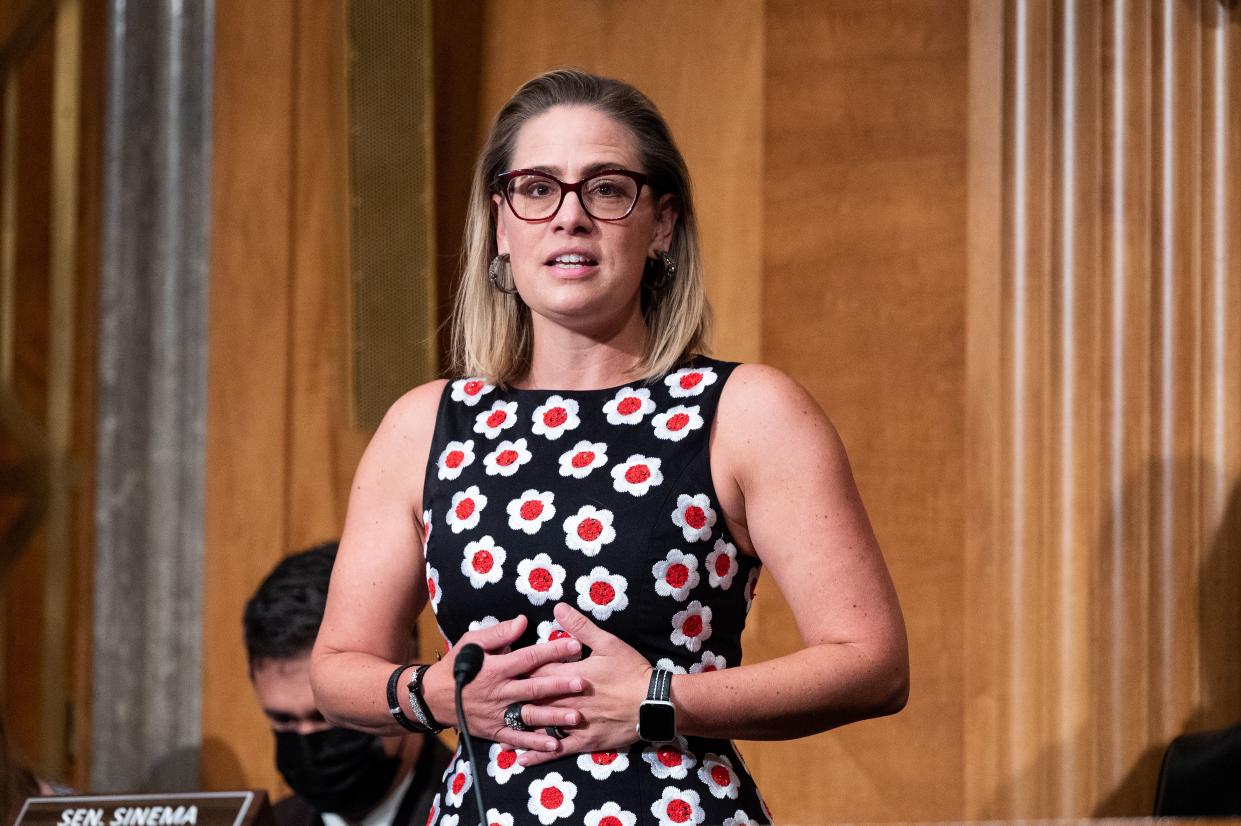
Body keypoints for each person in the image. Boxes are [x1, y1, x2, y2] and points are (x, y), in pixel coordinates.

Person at [310, 69, 909, 826]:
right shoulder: (425, 424)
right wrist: (439, 695)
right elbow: (336, 669)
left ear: (660, 225)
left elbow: (871, 664)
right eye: (536, 188)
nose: (568, 217)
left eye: (605, 188)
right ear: (500, 223)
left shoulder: (745, 411)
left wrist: (659, 700)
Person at [244, 542, 451, 826]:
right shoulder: (271, 822)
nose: (308, 740)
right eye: (284, 720)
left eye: (325, 713)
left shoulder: (480, 809)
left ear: (404, 672)